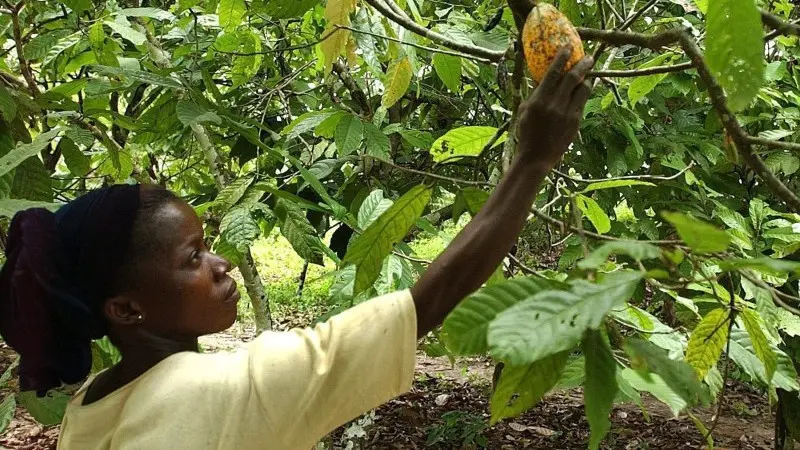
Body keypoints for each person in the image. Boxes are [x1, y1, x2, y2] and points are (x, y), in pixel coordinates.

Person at [0, 49, 592, 450]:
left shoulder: (91, 408)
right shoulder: (217, 392)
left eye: (206, 246)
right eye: (192, 258)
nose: (221, 262)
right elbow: (426, 304)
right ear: (127, 309)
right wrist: (534, 159)